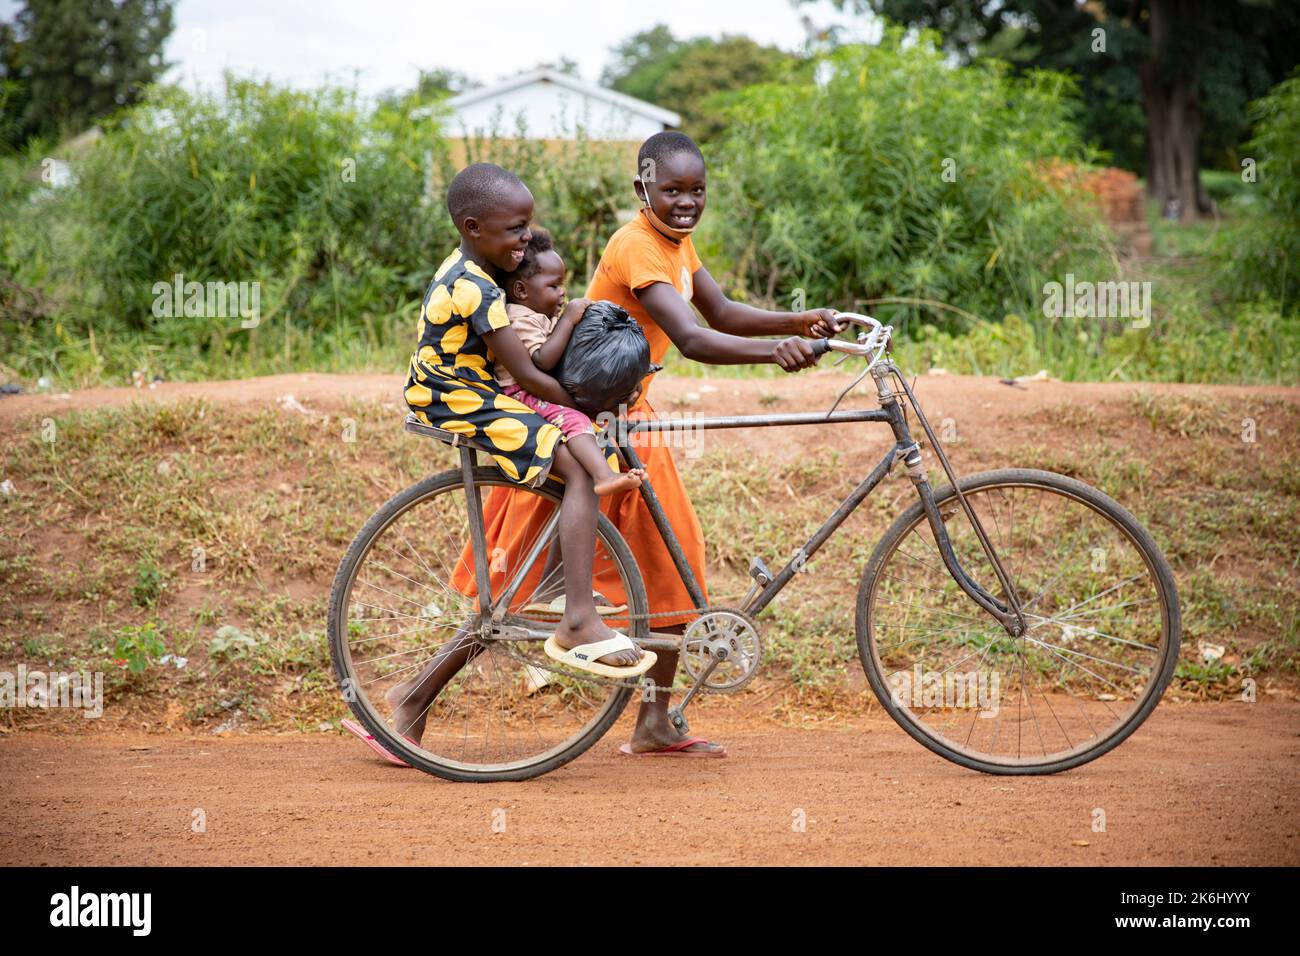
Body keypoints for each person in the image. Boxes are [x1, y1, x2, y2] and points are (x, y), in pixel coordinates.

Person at [465, 131, 843, 757]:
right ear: (643, 189)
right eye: (671, 190)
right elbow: (693, 339)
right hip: (603, 420)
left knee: (669, 563)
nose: (685, 202)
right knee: (523, 572)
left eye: (696, 190)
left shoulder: (675, 242)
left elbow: (718, 311)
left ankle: (654, 720)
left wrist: (797, 321)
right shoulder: (638, 245)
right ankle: (413, 697)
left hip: (629, 415)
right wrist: (775, 352)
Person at [343, 163, 654, 765]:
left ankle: (571, 596)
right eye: (516, 230)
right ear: (473, 227)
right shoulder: (478, 289)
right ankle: (578, 616)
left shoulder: (473, 268)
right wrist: (589, 403)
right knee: (582, 465)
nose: (525, 240)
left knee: (581, 458)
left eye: (528, 227)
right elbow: (533, 374)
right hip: (457, 398)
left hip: (471, 389)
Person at [496, 226, 646, 498]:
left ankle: (611, 461)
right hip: (519, 394)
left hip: (534, 391)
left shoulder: (537, 315)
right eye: (553, 286)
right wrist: (567, 320)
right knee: (575, 420)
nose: (562, 293)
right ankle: (603, 475)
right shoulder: (519, 318)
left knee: (588, 423)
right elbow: (542, 361)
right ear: (521, 289)